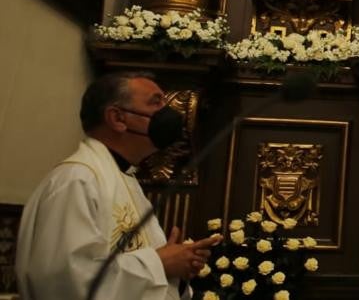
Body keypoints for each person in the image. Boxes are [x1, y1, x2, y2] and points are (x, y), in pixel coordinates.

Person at [16, 72, 219, 299]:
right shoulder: (77, 180)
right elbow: (64, 279)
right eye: (155, 103)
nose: (168, 112)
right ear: (117, 119)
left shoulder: (124, 180)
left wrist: (178, 269)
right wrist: (160, 263)